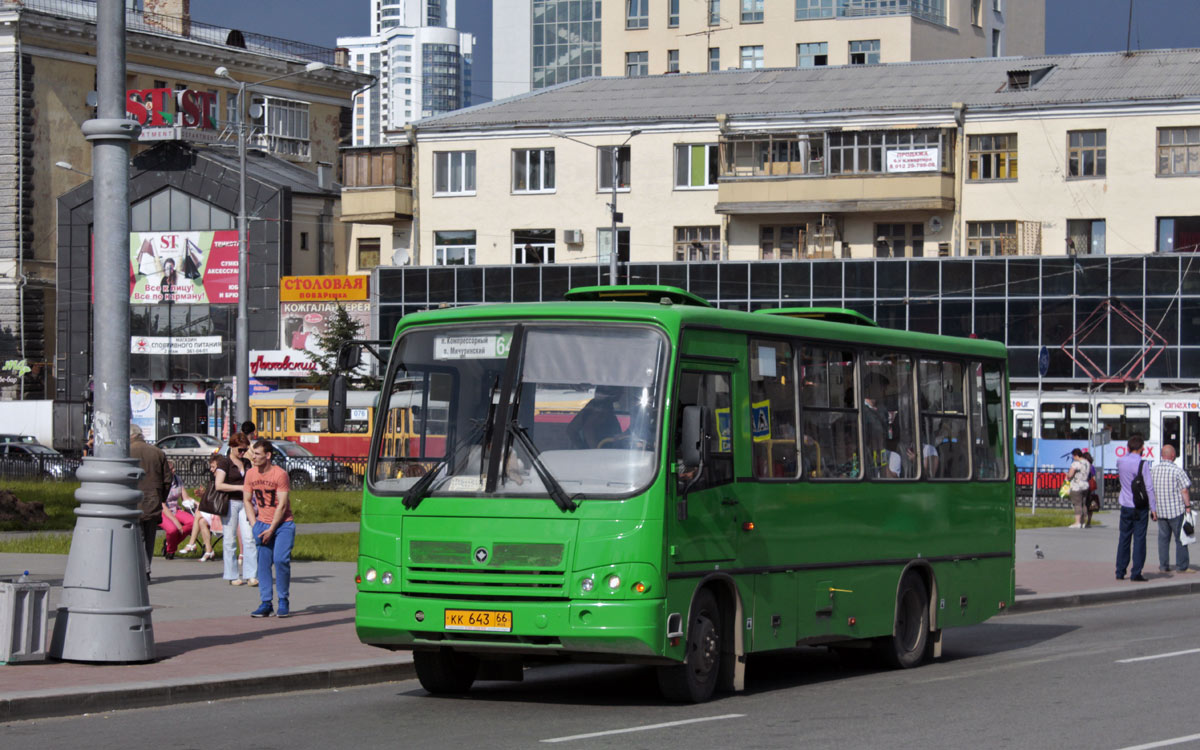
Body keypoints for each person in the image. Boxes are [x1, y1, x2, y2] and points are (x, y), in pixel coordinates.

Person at [244, 439, 295, 618]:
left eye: (257, 454)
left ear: (267, 455)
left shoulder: (280, 475)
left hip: (282, 525)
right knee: (263, 564)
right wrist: (254, 525)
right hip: (262, 524)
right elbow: (247, 500)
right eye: (253, 453)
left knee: (281, 560)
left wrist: (272, 529)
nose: (253, 457)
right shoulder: (250, 474)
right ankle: (266, 603)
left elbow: (282, 506)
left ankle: (283, 600)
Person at [129, 423, 172, 581]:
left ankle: (143, 570)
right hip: (153, 499)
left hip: (133, 499)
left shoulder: (127, 452)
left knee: (137, 537)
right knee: (149, 537)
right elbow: (168, 479)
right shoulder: (157, 452)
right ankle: (146, 569)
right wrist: (161, 497)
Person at [216, 432, 258, 587]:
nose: (242, 453)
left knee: (249, 538)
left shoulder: (246, 463)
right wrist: (241, 487)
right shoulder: (224, 463)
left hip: (246, 503)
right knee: (229, 539)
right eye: (240, 449)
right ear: (232, 446)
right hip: (230, 503)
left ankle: (251, 575)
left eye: (244, 450)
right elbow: (219, 485)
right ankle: (232, 575)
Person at [1115, 433, 1158, 582]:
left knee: (1124, 538)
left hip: (1125, 505)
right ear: (1142, 448)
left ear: (1128, 447)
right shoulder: (1142, 464)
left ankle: (1120, 571)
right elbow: (1149, 488)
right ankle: (1136, 573)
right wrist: (1153, 509)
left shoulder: (1120, 461)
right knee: (1139, 539)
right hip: (1139, 507)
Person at [1151, 444, 1193, 574]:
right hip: (1176, 511)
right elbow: (1184, 490)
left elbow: (1150, 490)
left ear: (1162, 455)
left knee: (1163, 540)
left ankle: (1164, 566)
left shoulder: (1154, 470)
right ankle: (1182, 566)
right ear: (1173, 456)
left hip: (1160, 510)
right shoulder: (1177, 471)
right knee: (1181, 539)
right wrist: (1188, 507)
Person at [180, 455, 220, 560]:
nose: (211, 470)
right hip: (215, 512)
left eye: (213, 467)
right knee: (202, 521)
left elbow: (218, 501)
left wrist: (204, 497)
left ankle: (192, 543)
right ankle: (209, 550)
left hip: (222, 515)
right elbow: (211, 500)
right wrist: (203, 495)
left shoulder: (222, 480)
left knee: (199, 512)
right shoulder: (213, 480)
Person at [159, 466, 195, 560]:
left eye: (174, 468)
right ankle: (170, 551)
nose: (174, 470)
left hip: (175, 509)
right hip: (162, 511)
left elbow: (186, 498)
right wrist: (177, 523)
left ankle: (169, 544)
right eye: (171, 469)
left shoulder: (177, 479)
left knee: (193, 522)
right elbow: (162, 505)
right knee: (172, 530)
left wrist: (199, 504)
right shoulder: (159, 482)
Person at [1065, 448, 1090, 529]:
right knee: (1083, 504)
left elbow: (1070, 475)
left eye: (1073, 456)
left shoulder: (1076, 463)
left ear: (1076, 455)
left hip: (1077, 486)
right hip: (1085, 485)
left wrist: (1067, 475)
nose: (1073, 458)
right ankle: (1083, 522)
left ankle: (1077, 522)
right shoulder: (1087, 463)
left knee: (1077, 504)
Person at [1082, 450, 1099, 528]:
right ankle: (1089, 521)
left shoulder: (1083, 465)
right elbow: (1094, 478)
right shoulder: (1092, 467)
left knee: (1083, 504)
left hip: (1083, 486)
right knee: (1090, 505)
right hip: (1090, 488)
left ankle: (1082, 520)